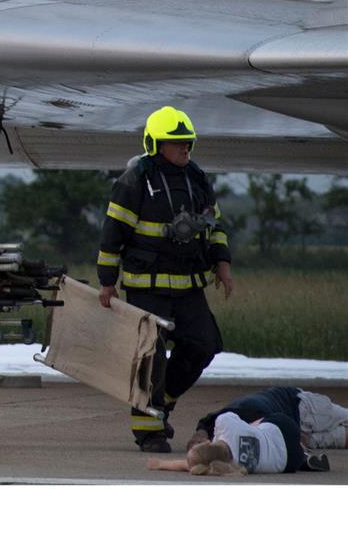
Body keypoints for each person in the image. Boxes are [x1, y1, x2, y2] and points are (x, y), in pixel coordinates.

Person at [97, 106, 233, 453]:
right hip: (147, 288)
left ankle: (164, 402)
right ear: (156, 144)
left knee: (205, 344)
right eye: (176, 144)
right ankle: (149, 432)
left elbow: (214, 226)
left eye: (188, 143)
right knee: (150, 358)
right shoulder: (134, 180)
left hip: (188, 287)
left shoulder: (198, 179)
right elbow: (113, 234)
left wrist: (222, 262)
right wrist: (107, 281)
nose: (185, 149)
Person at [146, 410, 329, 476]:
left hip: (289, 462)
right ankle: (303, 446)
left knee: (262, 443)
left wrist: (162, 465)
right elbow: (191, 463)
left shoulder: (230, 467)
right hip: (283, 430)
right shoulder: (224, 424)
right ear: (208, 443)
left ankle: (304, 457)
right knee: (255, 424)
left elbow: (191, 465)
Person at [188, 387, 348, 452]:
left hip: (303, 406)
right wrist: (199, 438)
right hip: (294, 426)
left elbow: (277, 421)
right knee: (339, 439)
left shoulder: (244, 414)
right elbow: (205, 423)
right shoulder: (218, 425)